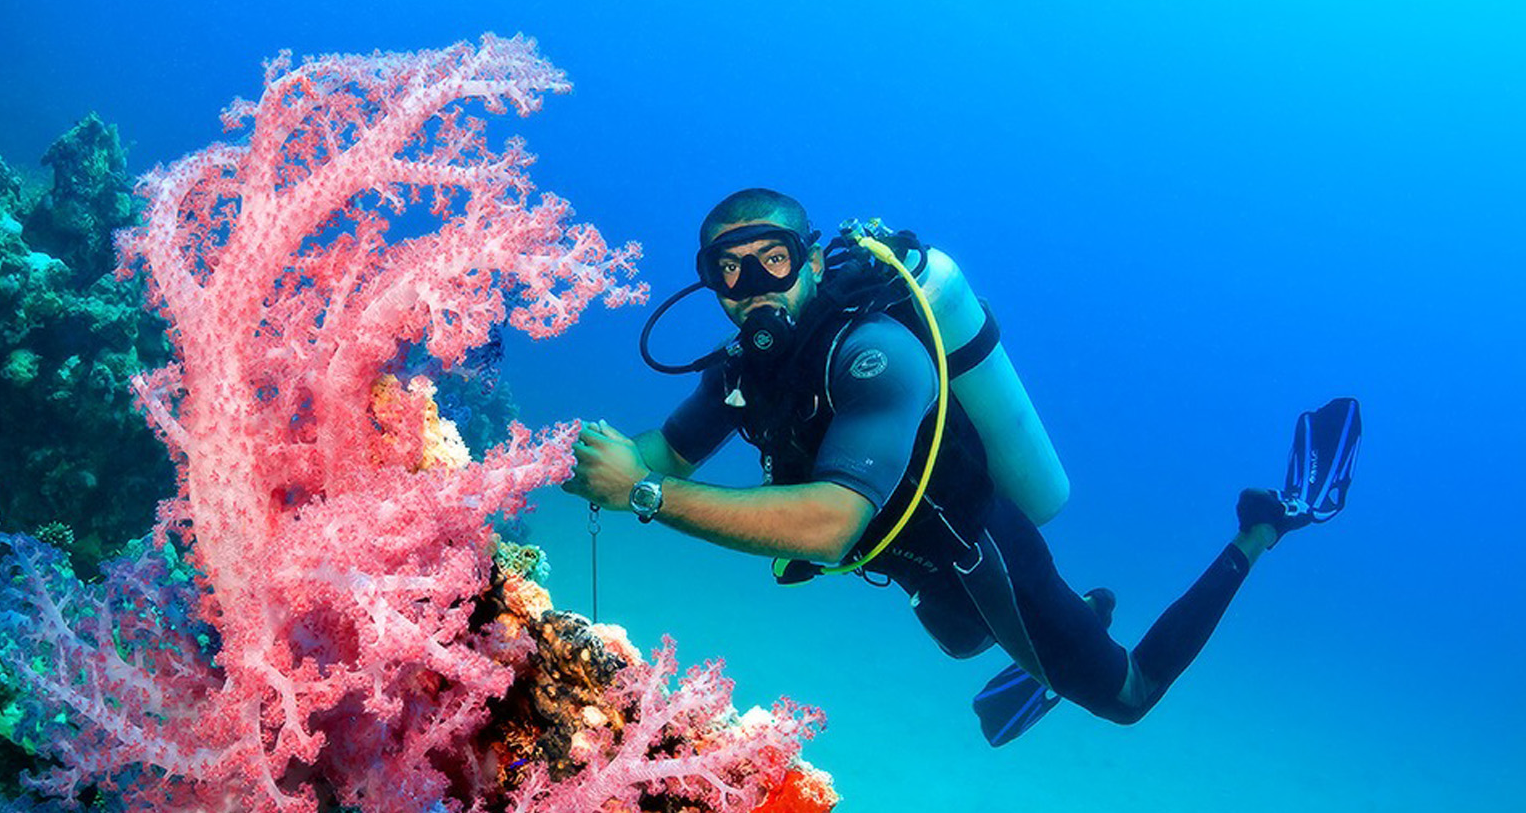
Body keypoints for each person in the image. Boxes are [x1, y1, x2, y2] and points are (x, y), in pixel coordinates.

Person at [563, 188, 1361, 745]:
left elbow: (830, 525)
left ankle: (1258, 533)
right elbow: (661, 454)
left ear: (807, 260)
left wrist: (640, 492)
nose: (750, 290)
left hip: (986, 556)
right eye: (726, 272)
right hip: (915, 569)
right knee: (963, 646)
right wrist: (544, 464)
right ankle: (1080, 618)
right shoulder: (744, 370)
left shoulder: (875, 353)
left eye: (771, 259)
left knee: (1126, 700)